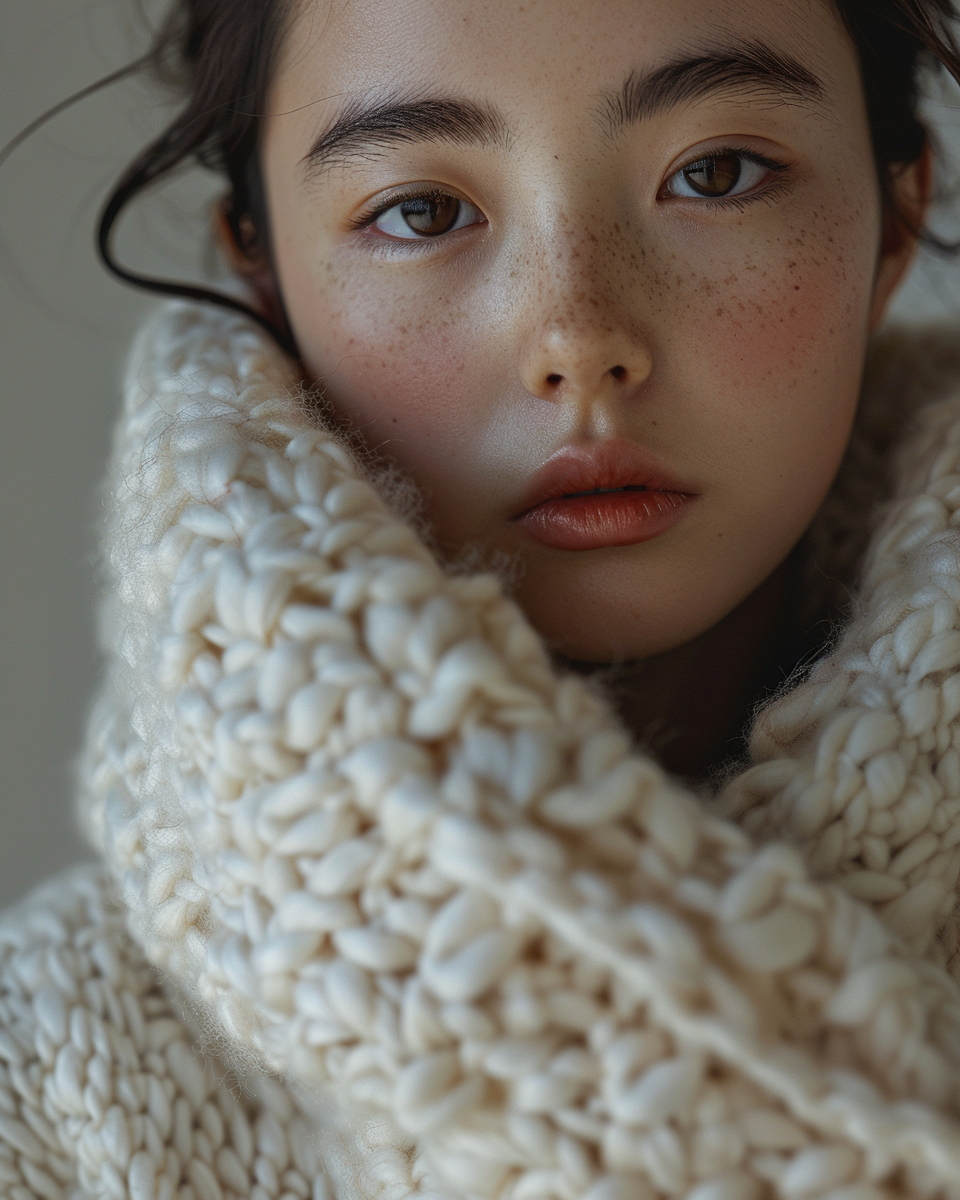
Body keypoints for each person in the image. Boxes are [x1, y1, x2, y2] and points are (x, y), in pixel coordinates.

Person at [5, 0, 960, 1197]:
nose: (578, 339)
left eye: (715, 173)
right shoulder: (46, 1094)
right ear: (264, 273)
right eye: (422, 211)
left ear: (896, 219)